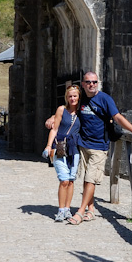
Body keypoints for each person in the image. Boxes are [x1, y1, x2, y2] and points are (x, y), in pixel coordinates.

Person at [68, 71, 132, 226]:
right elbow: (68, 109)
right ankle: (91, 209)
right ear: (83, 84)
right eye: (89, 82)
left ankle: (80, 212)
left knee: (91, 179)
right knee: (86, 179)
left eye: (95, 82)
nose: (92, 85)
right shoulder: (82, 98)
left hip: (99, 146)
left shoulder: (105, 99)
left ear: (98, 83)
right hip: (83, 144)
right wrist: (53, 118)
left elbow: (117, 117)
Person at [43, 84, 82, 222]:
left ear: (79, 97)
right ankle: (60, 210)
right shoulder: (61, 110)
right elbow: (54, 129)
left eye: (75, 96)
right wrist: (48, 146)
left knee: (71, 181)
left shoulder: (82, 111)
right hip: (60, 146)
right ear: (66, 97)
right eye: (70, 96)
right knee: (63, 180)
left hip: (74, 149)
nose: (72, 98)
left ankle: (67, 209)